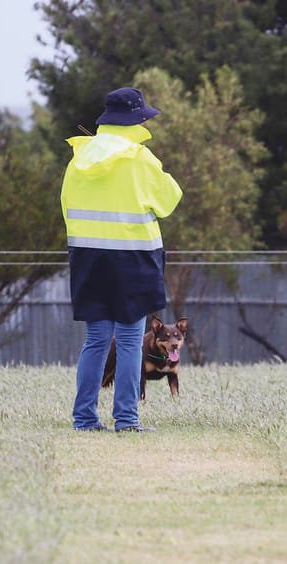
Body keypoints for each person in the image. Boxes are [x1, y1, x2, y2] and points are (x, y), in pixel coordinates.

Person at [61, 87, 183, 432]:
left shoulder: (78, 158)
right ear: (136, 120)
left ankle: (84, 418)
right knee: (130, 339)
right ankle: (127, 420)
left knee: (97, 338)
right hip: (133, 258)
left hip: (87, 257)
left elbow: (66, 207)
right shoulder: (139, 158)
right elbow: (169, 200)